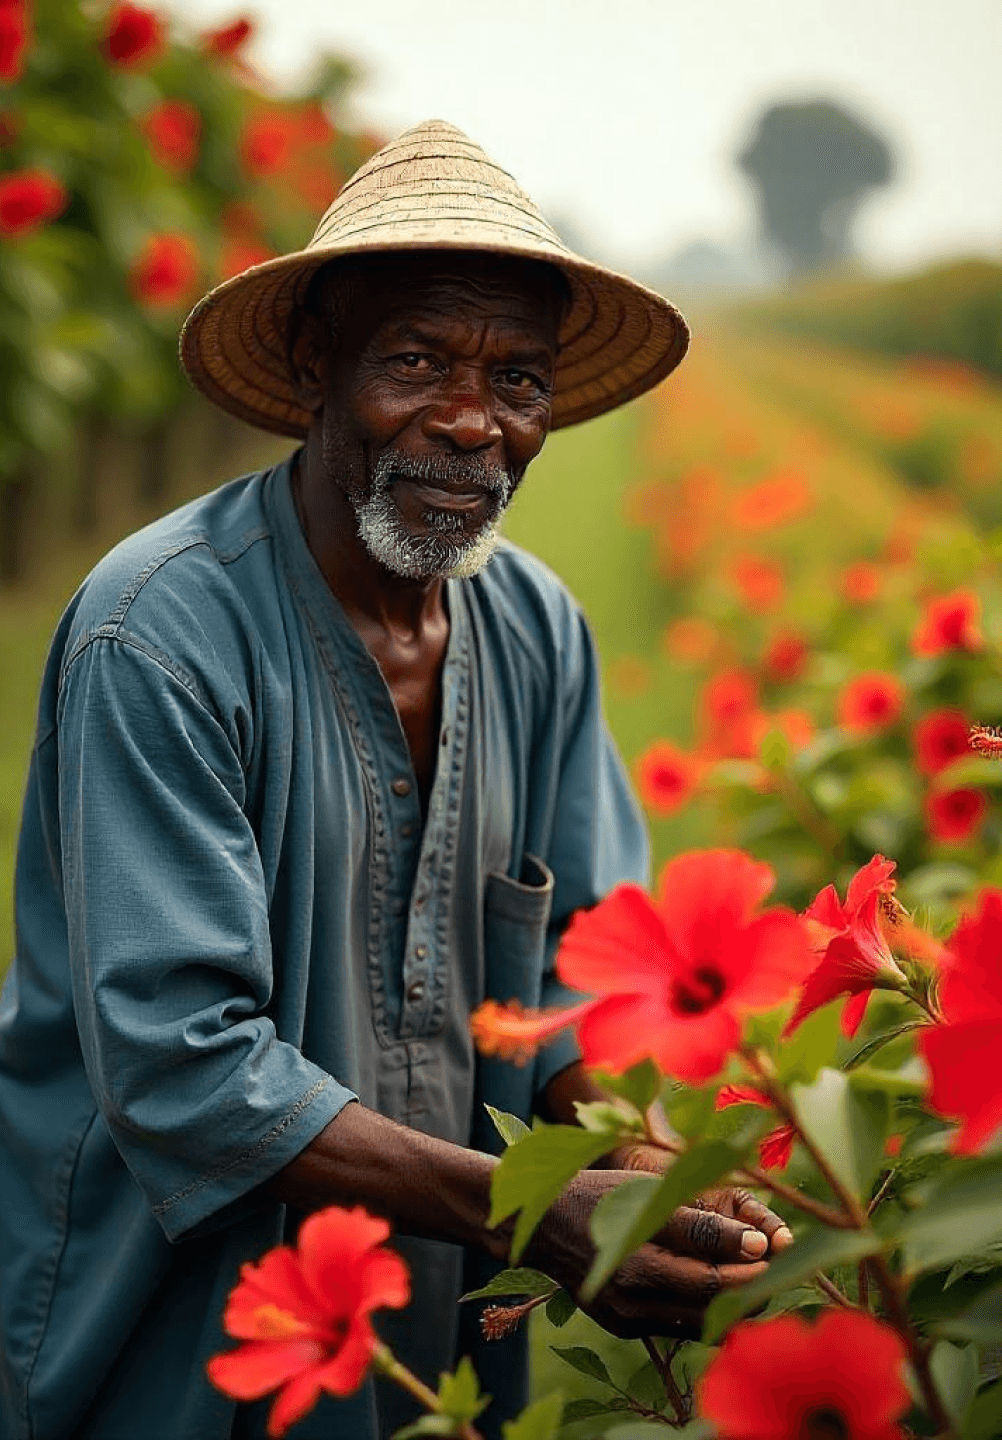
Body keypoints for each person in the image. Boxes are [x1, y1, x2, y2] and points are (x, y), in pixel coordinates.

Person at [0, 120, 790, 1440]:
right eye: (417, 360)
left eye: (518, 379)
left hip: (438, 1325)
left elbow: (581, 977)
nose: (472, 422)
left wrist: (642, 1165)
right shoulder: (161, 634)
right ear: (316, 363)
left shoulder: (537, 630)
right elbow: (183, 1070)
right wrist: (534, 1210)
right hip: (175, 1332)